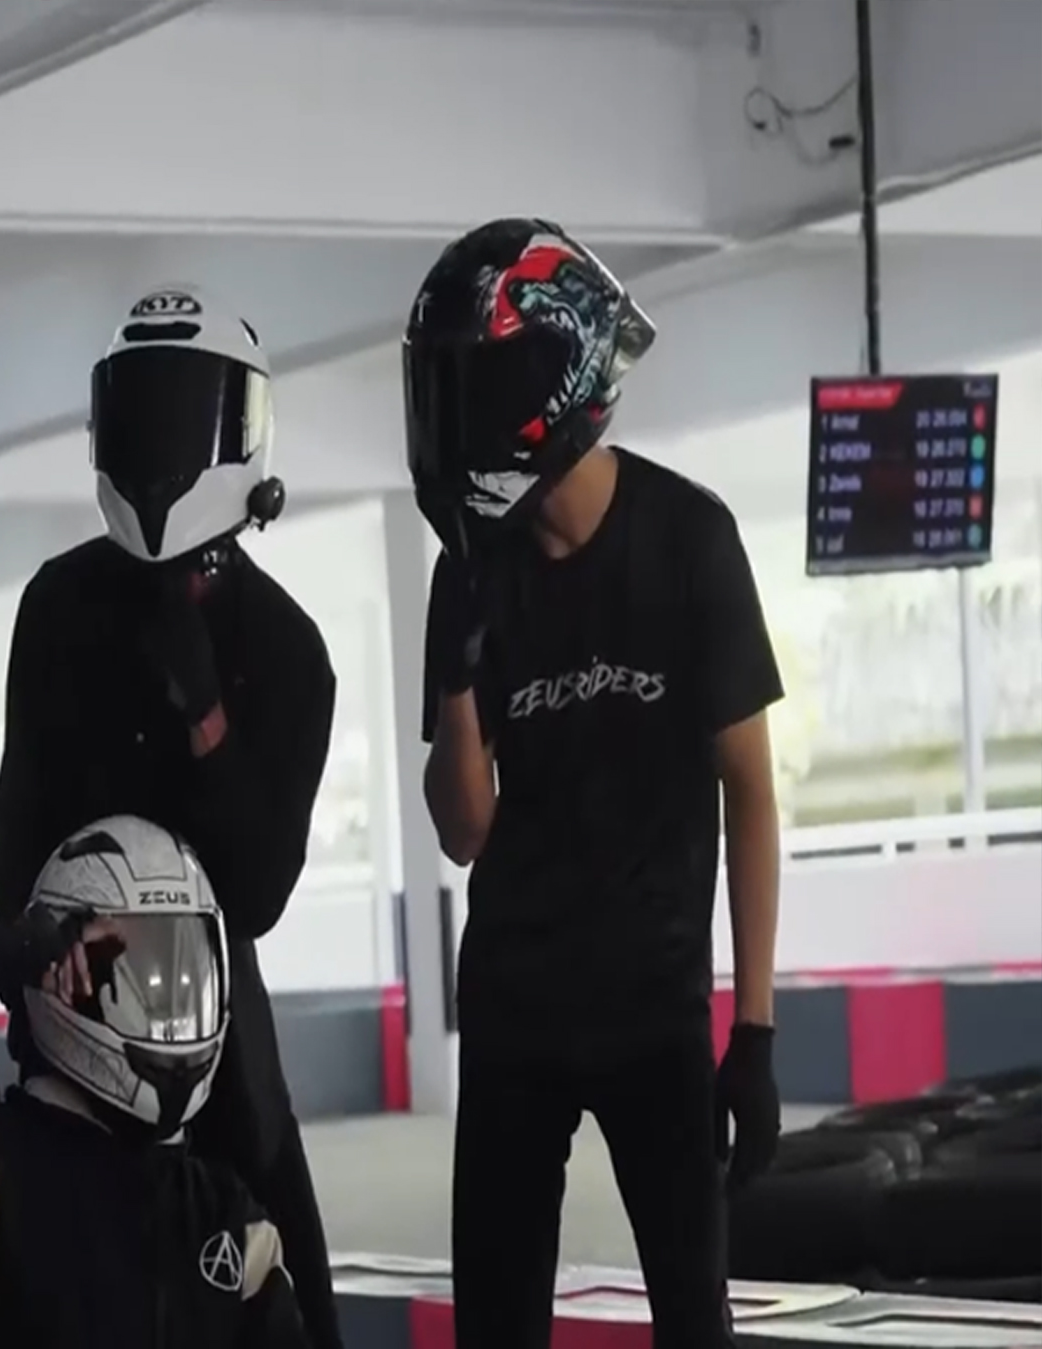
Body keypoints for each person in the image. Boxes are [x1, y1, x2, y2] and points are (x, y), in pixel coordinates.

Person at [407, 218, 784, 1349]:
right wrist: (458, 681)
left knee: (695, 1319)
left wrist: (755, 1029)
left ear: (546, 383)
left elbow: (750, 792)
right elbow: (465, 828)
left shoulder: (690, 540)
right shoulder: (471, 572)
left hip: (652, 1002)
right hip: (516, 1001)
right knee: (498, 1326)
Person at [0, 286, 343, 1349]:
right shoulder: (56, 604)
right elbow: (15, 826)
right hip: (67, 992)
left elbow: (261, 890)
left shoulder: (286, 648)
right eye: (138, 417)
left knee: (283, 1262)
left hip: (208, 1009)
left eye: (180, 418)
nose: (156, 448)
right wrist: (30, 966)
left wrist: (207, 718)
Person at [0, 814, 311, 1348]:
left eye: (179, 975)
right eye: (136, 973)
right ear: (62, 971)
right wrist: (2, 952)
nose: (167, 1005)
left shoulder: (230, 1221)